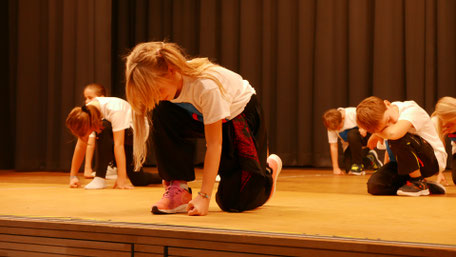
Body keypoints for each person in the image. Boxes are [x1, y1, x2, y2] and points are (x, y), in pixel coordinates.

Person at [124, 41, 282, 216]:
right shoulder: (167, 91)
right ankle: (179, 189)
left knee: (233, 201)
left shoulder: (206, 86)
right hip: (203, 117)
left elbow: (215, 144)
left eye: (158, 89)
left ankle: (267, 171)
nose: (157, 96)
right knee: (162, 109)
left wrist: (204, 197)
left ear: (172, 70)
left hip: (239, 115)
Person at [356, 96, 447, 196]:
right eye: (384, 128)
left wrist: (377, 133)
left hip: (432, 161)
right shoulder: (384, 126)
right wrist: (386, 171)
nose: (391, 124)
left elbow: (393, 134)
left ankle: (418, 182)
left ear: (387, 104)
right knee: (375, 185)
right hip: (406, 165)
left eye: (389, 119)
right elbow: (390, 150)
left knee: (398, 137)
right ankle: (426, 185)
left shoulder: (411, 110)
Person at [66, 96, 161, 189]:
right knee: (139, 180)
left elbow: (118, 145)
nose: (84, 137)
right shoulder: (86, 114)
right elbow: (80, 146)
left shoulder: (114, 110)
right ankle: (165, 177)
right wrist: (73, 176)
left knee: (104, 126)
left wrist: (121, 178)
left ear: (92, 124)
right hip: (120, 135)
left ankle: (99, 177)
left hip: (136, 132)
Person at [322, 108, 382, 175]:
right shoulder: (331, 126)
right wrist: (335, 168)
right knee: (350, 170)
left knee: (351, 134)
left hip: (365, 139)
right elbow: (333, 146)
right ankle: (370, 158)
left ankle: (358, 164)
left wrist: (363, 127)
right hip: (351, 147)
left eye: (339, 127)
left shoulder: (353, 113)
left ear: (343, 118)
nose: (338, 130)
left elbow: (373, 123)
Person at [82, 83, 117, 180]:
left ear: (101, 98)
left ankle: (113, 166)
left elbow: (119, 142)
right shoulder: (94, 116)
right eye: (85, 98)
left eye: (90, 98)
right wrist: (87, 168)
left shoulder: (111, 110)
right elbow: (90, 143)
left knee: (105, 128)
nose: (87, 101)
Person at [432, 96, 456, 185]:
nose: (446, 125)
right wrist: (440, 172)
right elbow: (440, 146)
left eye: (451, 123)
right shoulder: (436, 121)